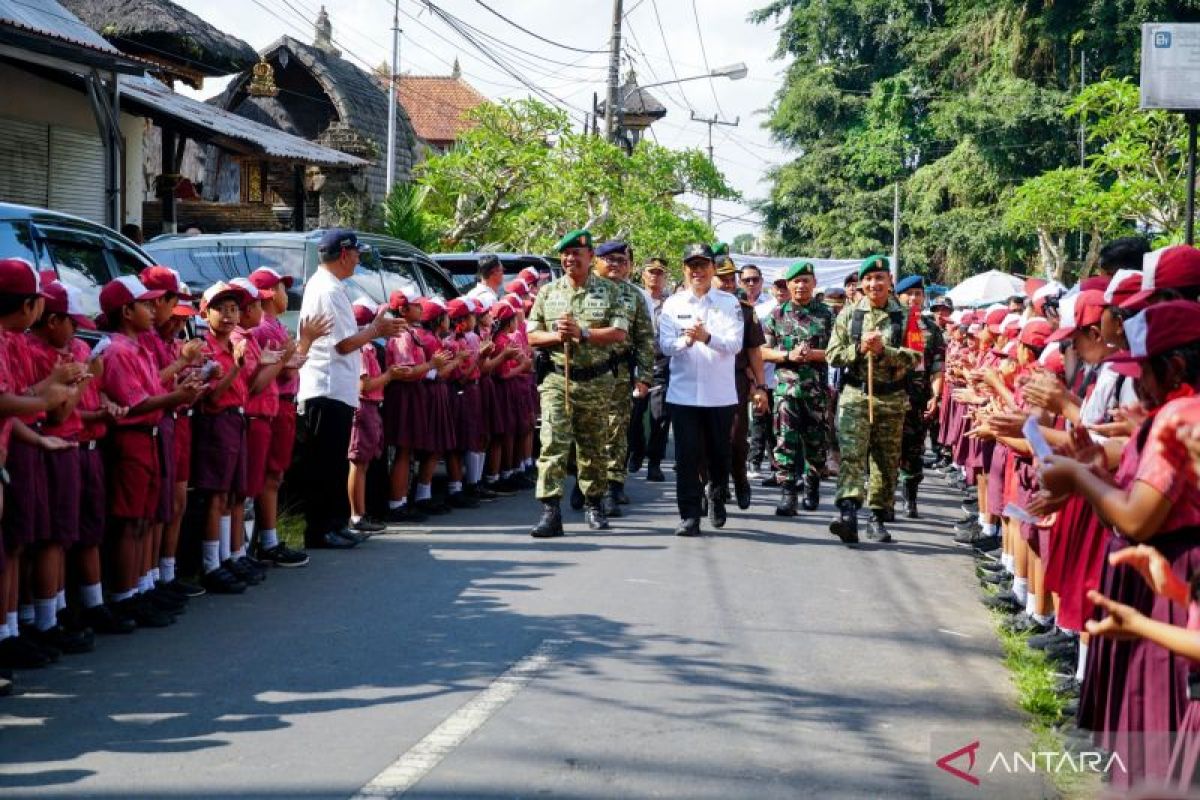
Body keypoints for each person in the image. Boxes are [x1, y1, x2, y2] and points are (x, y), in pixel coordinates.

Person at [297, 228, 402, 550]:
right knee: (325, 463)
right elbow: (343, 344)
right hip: (325, 388)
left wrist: (370, 329)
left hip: (336, 388)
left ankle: (335, 523)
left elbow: (343, 336)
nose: (358, 259)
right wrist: (375, 329)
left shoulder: (331, 286)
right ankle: (320, 529)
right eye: (356, 254)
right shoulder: (327, 289)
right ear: (344, 254)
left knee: (334, 462)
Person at [527, 229, 628, 537]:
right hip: (557, 379)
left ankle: (594, 503)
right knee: (553, 443)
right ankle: (550, 511)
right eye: (566, 254)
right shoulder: (548, 292)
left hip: (596, 380)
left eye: (578, 254)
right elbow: (532, 334)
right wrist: (557, 336)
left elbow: (619, 333)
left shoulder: (610, 292)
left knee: (593, 447)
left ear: (590, 258)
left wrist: (582, 333)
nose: (571, 259)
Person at [825, 255, 920, 544]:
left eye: (880, 278)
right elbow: (833, 355)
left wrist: (884, 351)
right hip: (856, 395)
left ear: (890, 281)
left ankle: (878, 516)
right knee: (852, 456)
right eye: (868, 279)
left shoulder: (905, 316)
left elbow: (916, 357)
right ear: (862, 283)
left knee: (885, 460)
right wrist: (858, 348)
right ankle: (848, 513)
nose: (874, 284)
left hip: (891, 398)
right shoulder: (849, 314)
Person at [658, 244, 744, 536]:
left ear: (712, 269)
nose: (697, 271)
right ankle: (689, 514)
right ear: (684, 270)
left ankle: (717, 496)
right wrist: (687, 341)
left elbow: (734, 344)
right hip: (683, 394)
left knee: (720, 454)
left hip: (719, 394)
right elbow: (666, 346)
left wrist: (707, 337)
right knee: (687, 456)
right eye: (692, 266)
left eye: (703, 265)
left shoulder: (729, 303)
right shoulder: (673, 304)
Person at [761, 260, 834, 516]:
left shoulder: (827, 315)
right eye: (796, 281)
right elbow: (762, 351)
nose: (801, 285)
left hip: (815, 391)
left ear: (814, 284)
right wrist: (787, 355)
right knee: (785, 442)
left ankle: (812, 486)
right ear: (788, 285)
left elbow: (838, 353)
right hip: (786, 392)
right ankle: (788, 493)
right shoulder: (777, 315)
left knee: (816, 443)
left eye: (806, 281)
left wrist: (814, 354)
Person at [593, 240, 654, 517]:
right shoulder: (583, 290)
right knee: (587, 430)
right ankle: (588, 480)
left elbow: (644, 339)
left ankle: (612, 485)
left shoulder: (635, 296)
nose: (615, 264)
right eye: (609, 259)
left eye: (621, 260)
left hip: (618, 373)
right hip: (586, 373)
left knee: (617, 430)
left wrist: (644, 377)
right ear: (597, 261)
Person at [713, 255, 766, 510]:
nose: (727, 283)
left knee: (735, 438)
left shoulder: (744, 310)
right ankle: (714, 489)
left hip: (736, 380)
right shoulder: (700, 308)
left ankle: (740, 480)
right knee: (706, 442)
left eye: (730, 278)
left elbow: (755, 351)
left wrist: (761, 386)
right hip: (705, 379)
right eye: (721, 278)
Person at [895, 275, 946, 519]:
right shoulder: (889, 323)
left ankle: (910, 498)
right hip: (890, 396)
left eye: (918, 294)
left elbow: (937, 366)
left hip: (918, 398)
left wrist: (935, 395)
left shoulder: (932, 329)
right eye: (909, 294)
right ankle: (883, 501)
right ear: (899, 296)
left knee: (914, 450)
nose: (914, 298)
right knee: (886, 449)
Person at [628, 257, 671, 482]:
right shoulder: (635, 297)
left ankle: (654, 462)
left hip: (662, 363)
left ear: (665, 276)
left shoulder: (672, 303)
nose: (655, 276)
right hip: (636, 363)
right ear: (643, 275)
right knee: (634, 414)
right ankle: (636, 451)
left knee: (660, 416)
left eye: (659, 272)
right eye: (651, 272)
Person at [740, 264, 778, 479]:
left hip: (766, 372)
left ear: (762, 281)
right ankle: (748, 460)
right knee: (738, 422)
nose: (751, 284)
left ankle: (769, 464)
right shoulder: (733, 303)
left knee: (765, 419)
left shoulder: (772, 306)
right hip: (738, 370)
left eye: (755, 279)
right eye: (747, 280)